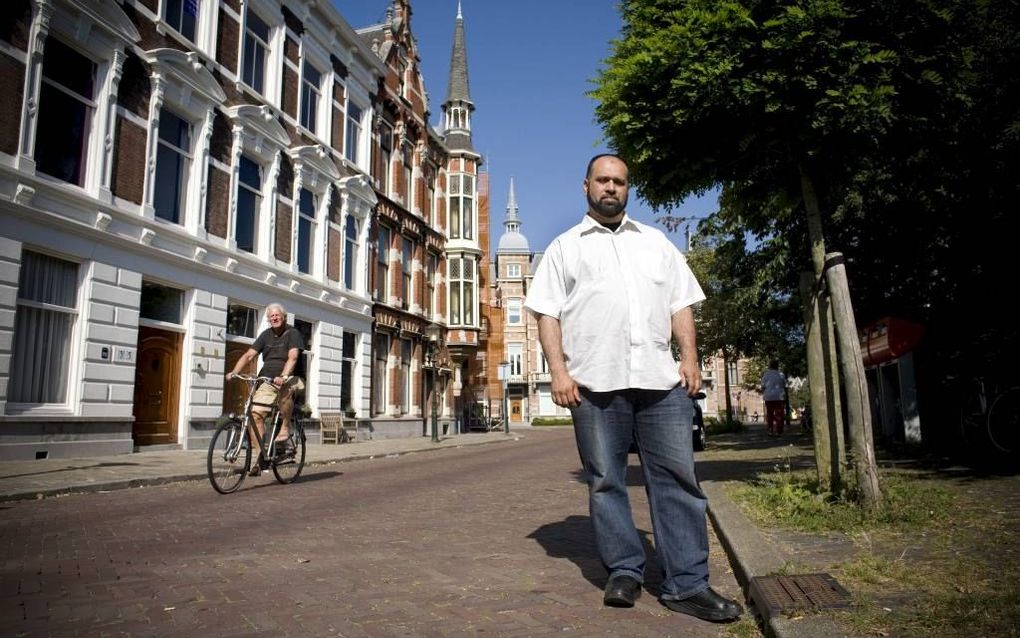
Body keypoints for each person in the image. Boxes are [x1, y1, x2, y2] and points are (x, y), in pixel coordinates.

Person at [524, 153, 743, 623]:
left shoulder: (656, 243)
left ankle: (688, 584)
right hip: (595, 383)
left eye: (619, 182)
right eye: (602, 180)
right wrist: (558, 372)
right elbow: (547, 314)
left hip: (659, 382)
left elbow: (682, 303)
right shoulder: (564, 248)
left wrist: (689, 359)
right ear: (586, 186)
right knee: (606, 481)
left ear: (628, 189)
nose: (611, 188)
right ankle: (624, 570)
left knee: (678, 480)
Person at [225, 303, 305, 476]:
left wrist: (283, 376)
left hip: (290, 376)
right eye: (271, 316)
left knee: (285, 390)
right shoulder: (265, 335)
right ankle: (261, 457)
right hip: (267, 379)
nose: (274, 318)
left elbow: (293, 357)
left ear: (283, 317)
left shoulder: (293, 333)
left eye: (277, 315)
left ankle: (285, 427)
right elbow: (249, 355)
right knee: (255, 414)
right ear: (268, 319)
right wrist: (235, 372)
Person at [760, 360, 787, 436]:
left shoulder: (766, 375)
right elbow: (784, 384)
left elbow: (763, 386)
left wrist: (765, 393)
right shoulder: (781, 374)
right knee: (779, 415)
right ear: (777, 366)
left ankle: (770, 430)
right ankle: (779, 431)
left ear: (770, 366)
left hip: (769, 397)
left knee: (770, 414)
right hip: (779, 396)